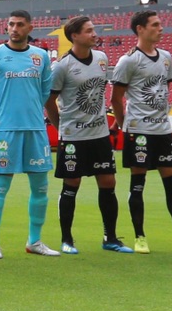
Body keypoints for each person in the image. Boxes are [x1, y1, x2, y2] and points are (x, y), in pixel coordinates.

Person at [111, 9, 172, 253]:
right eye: (155, 25)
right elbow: (116, 99)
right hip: (138, 131)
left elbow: (164, 89)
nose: (161, 28)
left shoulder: (166, 57)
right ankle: (140, 237)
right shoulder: (128, 60)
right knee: (138, 184)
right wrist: (127, 125)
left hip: (163, 131)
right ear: (140, 28)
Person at [0, 10, 55, 257]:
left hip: (35, 129)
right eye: (11, 24)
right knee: (0, 186)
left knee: (41, 188)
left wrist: (30, 111)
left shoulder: (40, 56)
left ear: (30, 27)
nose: (14, 28)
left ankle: (35, 241)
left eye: (20, 24)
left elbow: (44, 92)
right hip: (6, 130)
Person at [49, 15, 130, 254]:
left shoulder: (102, 59)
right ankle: (67, 239)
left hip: (100, 135)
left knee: (108, 182)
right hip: (73, 138)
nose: (95, 34)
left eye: (94, 30)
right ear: (75, 36)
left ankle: (111, 238)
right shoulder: (61, 66)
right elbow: (49, 101)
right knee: (71, 184)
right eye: (89, 31)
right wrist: (61, 127)